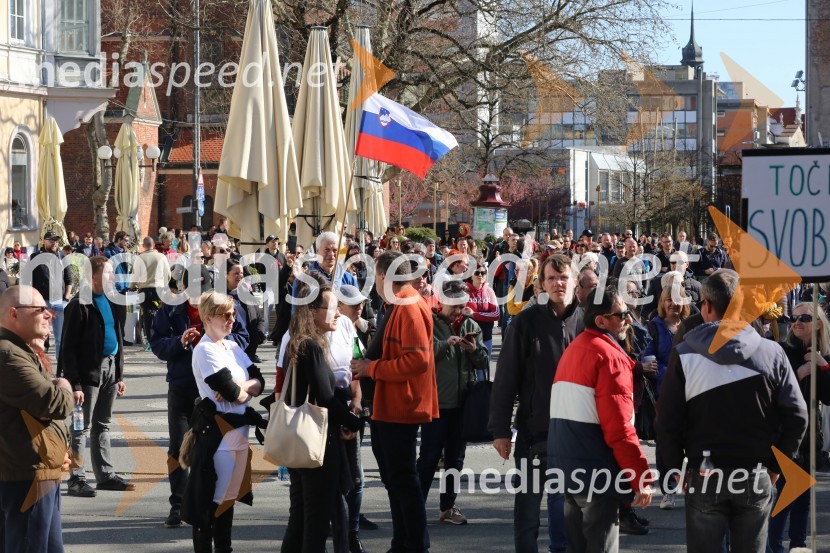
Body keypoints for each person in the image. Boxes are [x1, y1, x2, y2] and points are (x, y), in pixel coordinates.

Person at [657, 270, 808, 553]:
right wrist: (776, 466)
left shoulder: (685, 354)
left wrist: (678, 468)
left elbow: (666, 420)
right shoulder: (772, 353)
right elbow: (797, 415)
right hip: (754, 471)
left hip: (704, 473)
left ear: (706, 306)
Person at [548, 284, 654, 552]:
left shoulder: (575, 348)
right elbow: (620, 428)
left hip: (568, 467)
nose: (628, 319)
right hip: (596, 472)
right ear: (601, 321)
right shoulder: (609, 356)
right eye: (622, 314)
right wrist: (640, 477)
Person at [488, 254, 581, 553]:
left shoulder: (587, 321)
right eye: (551, 278)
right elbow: (505, 379)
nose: (558, 284)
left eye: (563, 277)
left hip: (577, 433)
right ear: (541, 284)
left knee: (570, 511)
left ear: (575, 281)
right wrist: (500, 430)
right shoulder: (525, 322)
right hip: (533, 432)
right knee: (528, 512)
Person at [350, 250, 438, 553]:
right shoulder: (401, 303)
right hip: (391, 405)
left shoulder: (409, 306)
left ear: (383, 276)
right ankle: (403, 543)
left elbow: (417, 361)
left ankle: (414, 545)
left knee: (403, 480)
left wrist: (371, 368)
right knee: (396, 480)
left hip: (401, 406)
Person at [280, 281, 362, 553]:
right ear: (312, 311)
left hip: (301, 440)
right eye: (332, 308)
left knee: (301, 519)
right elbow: (326, 397)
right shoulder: (311, 347)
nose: (338, 313)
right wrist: (355, 421)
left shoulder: (298, 342)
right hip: (318, 443)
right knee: (315, 522)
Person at [185, 291, 264, 553]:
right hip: (217, 436)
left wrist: (242, 385)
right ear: (208, 318)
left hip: (239, 433)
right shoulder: (205, 350)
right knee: (210, 503)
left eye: (233, 314)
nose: (232, 319)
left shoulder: (232, 346)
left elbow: (259, 381)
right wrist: (243, 388)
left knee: (228, 500)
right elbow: (232, 394)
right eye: (226, 315)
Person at [0, 286, 74, 553]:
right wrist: (64, 385)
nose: (49, 315)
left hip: (39, 472)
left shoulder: (21, 351)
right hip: (26, 478)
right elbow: (53, 403)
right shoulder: (8, 354)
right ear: (14, 314)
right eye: (39, 309)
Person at [58, 256, 133, 496]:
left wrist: (119, 375)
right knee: (80, 426)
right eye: (108, 273)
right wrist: (75, 383)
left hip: (109, 369)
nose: (113, 277)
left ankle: (105, 476)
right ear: (94, 277)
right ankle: (76, 478)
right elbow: (67, 348)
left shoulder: (110, 301)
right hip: (87, 374)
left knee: (103, 424)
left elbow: (117, 337)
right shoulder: (79, 304)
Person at [418, 280, 488, 526]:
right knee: (429, 457)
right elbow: (421, 354)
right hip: (436, 402)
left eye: (461, 306)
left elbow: (483, 361)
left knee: (456, 460)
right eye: (454, 306)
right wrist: (444, 344)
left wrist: (473, 350)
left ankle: (447, 507)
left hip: (463, 404)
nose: (458, 311)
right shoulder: (429, 321)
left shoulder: (471, 325)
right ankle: (415, 506)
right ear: (442, 301)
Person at [150, 265, 214, 528]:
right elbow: (157, 344)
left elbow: (242, 338)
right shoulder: (171, 309)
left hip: (211, 390)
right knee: (178, 447)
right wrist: (180, 341)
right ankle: (178, 505)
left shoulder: (219, 308)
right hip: (181, 387)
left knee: (208, 449)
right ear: (183, 287)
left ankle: (204, 503)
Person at [767, 302, 830, 553]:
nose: (797, 322)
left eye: (804, 318)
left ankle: (798, 544)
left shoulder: (824, 353)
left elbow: (828, 397)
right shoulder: (782, 350)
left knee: (803, 496)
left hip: (810, 435)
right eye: (794, 318)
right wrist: (800, 372)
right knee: (785, 494)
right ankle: (773, 546)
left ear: (819, 324)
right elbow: (773, 390)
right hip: (785, 432)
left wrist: (823, 366)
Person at [640, 286, 691, 511]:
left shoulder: (692, 324)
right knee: (665, 442)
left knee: (693, 440)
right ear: (662, 302)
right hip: (665, 393)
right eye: (669, 299)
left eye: (678, 299)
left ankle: (693, 488)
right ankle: (669, 489)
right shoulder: (654, 326)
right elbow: (650, 359)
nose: (674, 303)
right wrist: (672, 376)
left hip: (692, 391)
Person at [29, 231, 73, 355]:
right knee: (41, 336)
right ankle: (41, 362)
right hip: (42, 303)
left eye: (56, 241)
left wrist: (66, 297)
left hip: (59, 302)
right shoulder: (35, 257)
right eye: (51, 240)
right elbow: (29, 279)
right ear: (44, 241)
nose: (54, 243)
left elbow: (69, 279)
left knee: (60, 337)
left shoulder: (62, 257)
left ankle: (60, 364)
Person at [136, 237, 172, 351]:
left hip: (144, 289)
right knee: (161, 312)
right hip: (158, 289)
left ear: (143, 245)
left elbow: (135, 275)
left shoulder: (140, 258)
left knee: (147, 314)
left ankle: (149, 340)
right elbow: (168, 274)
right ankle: (162, 337)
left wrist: (132, 286)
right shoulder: (161, 257)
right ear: (154, 245)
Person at [466, 265, 499, 356]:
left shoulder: (489, 291)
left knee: (485, 364)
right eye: (476, 273)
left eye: (483, 273)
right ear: (471, 276)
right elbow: (460, 313)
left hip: (486, 337)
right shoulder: (464, 291)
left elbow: (496, 314)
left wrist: (474, 315)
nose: (480, 275)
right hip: (467, 338)